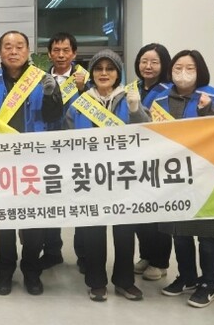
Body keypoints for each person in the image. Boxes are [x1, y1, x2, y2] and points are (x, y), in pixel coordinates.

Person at [0, 30, 63, 296]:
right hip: (0, 165)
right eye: (8, 46)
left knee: (33, 222)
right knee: (4, 222)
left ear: (28, 51)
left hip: (34, 163)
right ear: (0, 52)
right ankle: (4, 271)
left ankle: (32, 271)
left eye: (19, 46)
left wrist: (51, 95)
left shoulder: (43, 80)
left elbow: (55, 120)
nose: (14, 51)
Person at [64, 49, 148, 302]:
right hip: (90, 177)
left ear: (118, 73)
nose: (103, 73)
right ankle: (96, 281)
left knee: (124, 233)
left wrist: (135, 109)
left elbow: (148, 133)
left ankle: (124, 281)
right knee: (93, 233)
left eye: (109, 69)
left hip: (124, 177)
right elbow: (67, 140)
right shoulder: (79, 104)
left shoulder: (130, 98)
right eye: (98, 69)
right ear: (91, 74)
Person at [154, 50, 214, 308]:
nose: (183, 73)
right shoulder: (161, 98)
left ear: (200, 71)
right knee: (180, 232)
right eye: (178, 67)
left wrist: (207, 111)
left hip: (205, 175)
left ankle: (209, 283)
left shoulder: (213, 96)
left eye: (190, 68)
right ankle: (186, 276)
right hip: (172, 176)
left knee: (206, 235)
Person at [43, 32, 89, 271]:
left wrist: (82, 89)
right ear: (49, 53)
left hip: (78, 150)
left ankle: (84, 255)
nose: (61, 55)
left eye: (66, 50)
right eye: (56, 50)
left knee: (80, 200)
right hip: (48, 150)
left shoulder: (87, 79)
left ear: (74, 53)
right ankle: (52, 251)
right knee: (51, 201)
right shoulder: (39, 79)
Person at [130, 43, 174, 281]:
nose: (148, 66)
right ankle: (146, 255)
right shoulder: (132, 88)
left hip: (160, 159)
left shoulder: (170, 91)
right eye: (144, 61)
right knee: (140, 212)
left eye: (154, 62)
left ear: (164, 65)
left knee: (158, 213)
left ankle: (160, 261)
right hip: (136, 160)